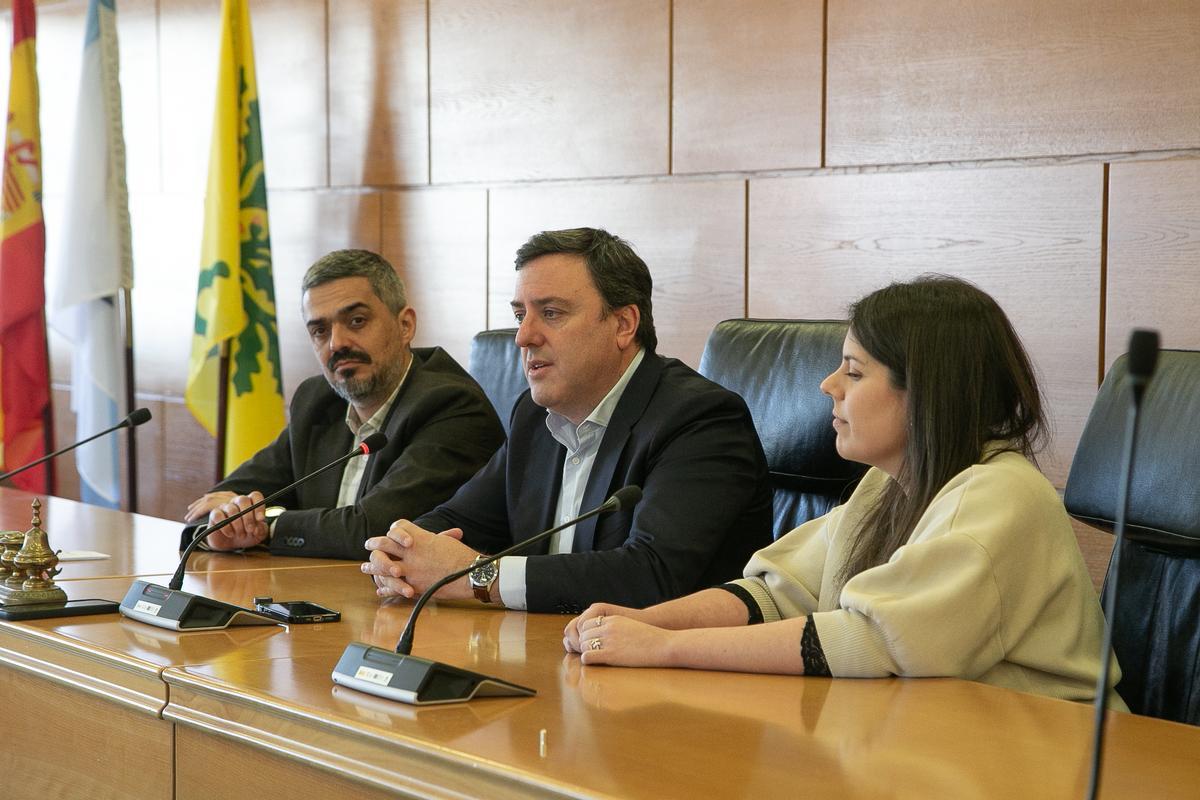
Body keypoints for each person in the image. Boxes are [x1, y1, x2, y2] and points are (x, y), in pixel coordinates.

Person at [563, 275, 1123, 705]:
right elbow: (778, 593)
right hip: (927, 736)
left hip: (1048, 753)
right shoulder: (889, 483)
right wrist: (647, 620)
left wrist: (664, 649)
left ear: (926, 393)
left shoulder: (1000, 494)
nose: (829, 385)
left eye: (854, 373)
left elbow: (870, 639)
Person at [361, 228, 774, 614]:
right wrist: (400, 552)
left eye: (552, 313)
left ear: (623, 324)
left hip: (675, 676)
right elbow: (458, 522)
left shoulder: (699, 420)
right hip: (553, 651)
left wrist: (481, 576)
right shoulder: (534, 416)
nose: (523, 336)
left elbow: (651, 575)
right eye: (521, 314)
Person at [182, 249, 506, 559]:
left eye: (356, 321)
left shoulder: (452, 407)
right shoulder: (318, 402)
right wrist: (223, 523)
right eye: (320, 330)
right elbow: (210, 509)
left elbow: (374, 529)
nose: (337, 344)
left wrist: (263, 525)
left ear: (405, 325)